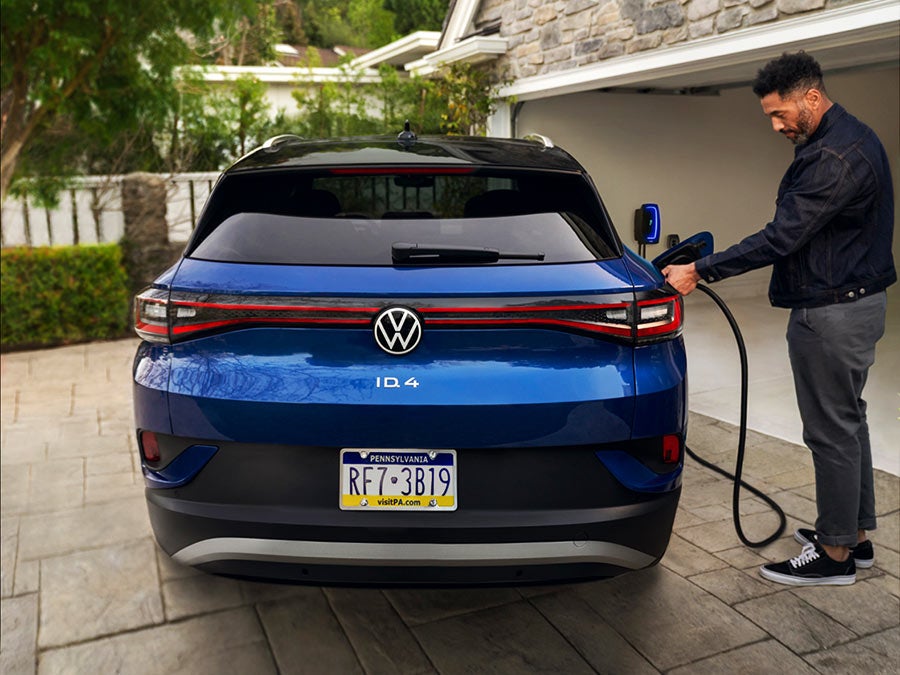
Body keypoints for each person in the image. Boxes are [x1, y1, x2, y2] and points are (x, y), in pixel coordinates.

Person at [663, 51, 895, 586]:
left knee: (830, 432)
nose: (775, 125)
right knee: (848, 420)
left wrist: (699, 270)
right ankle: (853, 538)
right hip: (855, 301)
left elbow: (781, 236)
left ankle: (834, 557)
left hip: (833, 313)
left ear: (811, 98)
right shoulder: (851, 136)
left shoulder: (832, 158)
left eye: (779, 113)